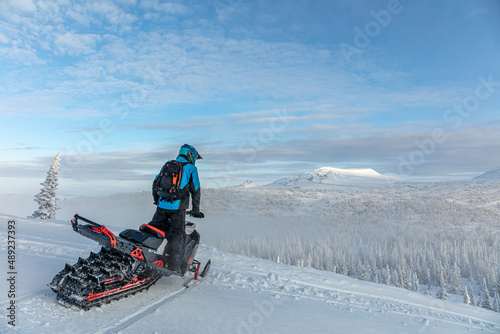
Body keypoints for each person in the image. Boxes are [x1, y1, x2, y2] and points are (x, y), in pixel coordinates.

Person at [149, 144, 204, 274]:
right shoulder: (191, 168)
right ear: (190, 155)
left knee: (153, 229)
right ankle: (175, 266)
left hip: (162, 206)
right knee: (178, 234)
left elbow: (155, 183)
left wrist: (157, 200)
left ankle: (150, 254)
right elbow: (196, 190)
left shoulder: (168, 164)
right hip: (178, 208)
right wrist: (195, 210)